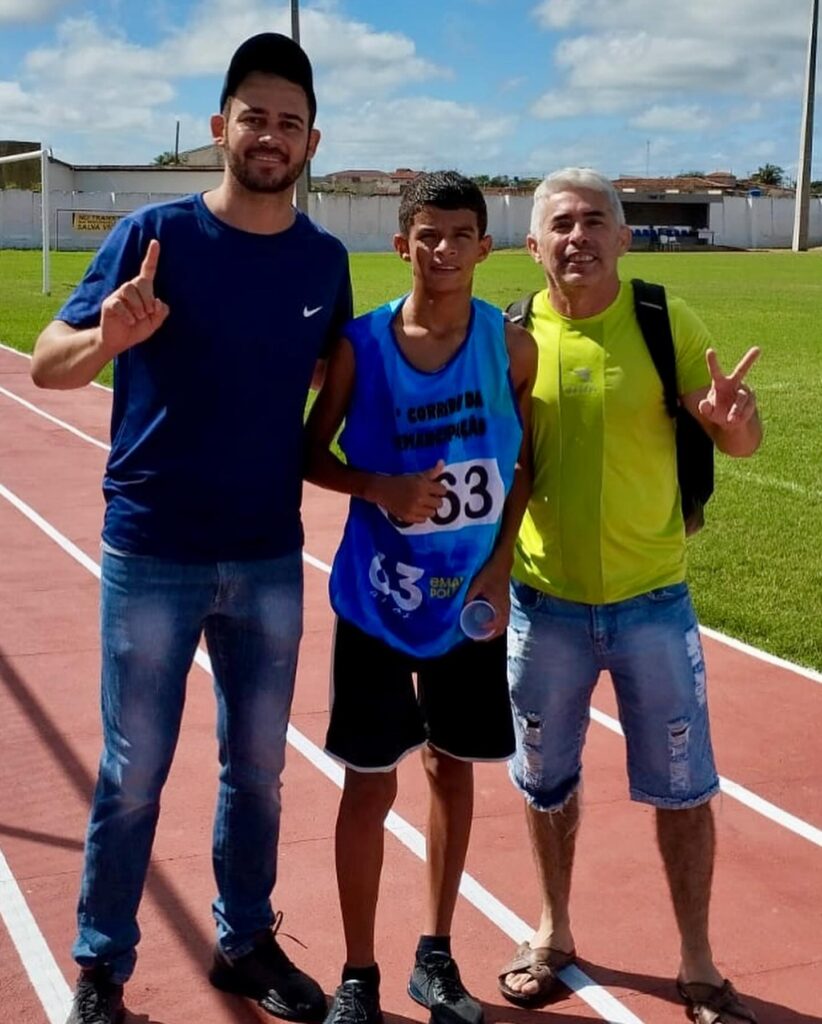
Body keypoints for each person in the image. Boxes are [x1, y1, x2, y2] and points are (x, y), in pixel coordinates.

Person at [30, 33, 352, 1024]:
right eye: (253, 116)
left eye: (289, 122)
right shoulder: (154, 236)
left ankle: (245, 939)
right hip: (154, 549)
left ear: (311, 141)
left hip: (266, 553)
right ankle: (101, 970)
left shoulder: (325, 261)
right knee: (133, 773)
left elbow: (330, 381)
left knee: (257, 769)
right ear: (220, 127)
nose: (269, 135)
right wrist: (105, 337)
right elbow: (49, 362)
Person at [497, 168, 762, 1024]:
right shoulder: (510, 336)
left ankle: (697, 962)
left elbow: (740, 440)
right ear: (533, 247)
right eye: (560, 226)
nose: (578, 237)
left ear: (624, 237)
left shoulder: (662, 320)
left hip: (654, 604)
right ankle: (554, 931)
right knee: (545, 785)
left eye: (594, 222)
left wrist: (732, 420)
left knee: (684, 791)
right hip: (545, 608)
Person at [304, 171, 536, 1024]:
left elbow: (524, 462)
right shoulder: (361, 347)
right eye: (426, 236)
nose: (442, 250)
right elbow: (308, 452)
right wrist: (378, 487)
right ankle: (357, 973)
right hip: (377, 598)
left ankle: (433, 958)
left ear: (485, 247)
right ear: (401, 245)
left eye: (460, 235)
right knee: (369, 785)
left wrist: (501, 561)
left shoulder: (511, 347)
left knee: (453, 771)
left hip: (467, 604)